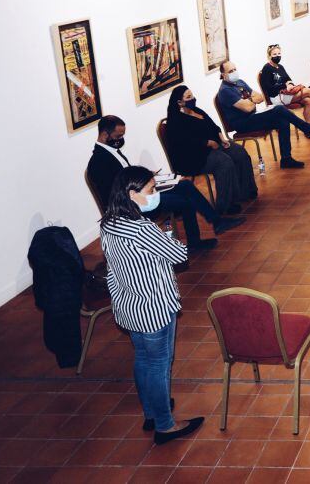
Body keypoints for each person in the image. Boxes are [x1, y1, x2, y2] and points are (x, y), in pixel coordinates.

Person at [100, 165, 205, 445]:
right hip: (155, 306)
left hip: (129, 305)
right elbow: (179, 255)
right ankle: (165, 425)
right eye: (151, 190)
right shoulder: (141, 228)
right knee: (160, 364)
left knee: (143, 359)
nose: (155, 194)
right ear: (132, 193)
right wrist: (167, 233)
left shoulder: (108, 223)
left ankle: (151, 411)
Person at [87, 115, 238, 251]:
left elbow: (126, 176)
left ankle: (216, 222)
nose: (121, 139)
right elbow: (116, 191)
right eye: (118, 136)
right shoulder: (98, 161)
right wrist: (144, 185)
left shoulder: (111, 151)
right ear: (105, 134)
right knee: (185, 202)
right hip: (132, 205)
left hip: (139, 193)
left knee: (185, 185)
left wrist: (146, 178)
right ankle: (194, 243)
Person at [216, 61, 310, 169]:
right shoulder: (225, 91)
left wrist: (249, 100)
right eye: (231, 71)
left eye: (235, 69)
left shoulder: (240, 82)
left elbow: (260, 97)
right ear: (223, 75)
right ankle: (308, 129)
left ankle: (286, 159)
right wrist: (252, 100)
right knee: (279, 109)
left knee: (282, 120)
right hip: (243, 123)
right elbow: (247, 108)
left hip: (252, 117)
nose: (234, 72)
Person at [164, 85, 257, 216]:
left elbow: (214, 126)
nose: (193, 99)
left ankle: (246, 190)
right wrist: (207, 143)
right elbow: (185, 142)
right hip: (193, 156)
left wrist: (222, 138)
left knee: (239, 152)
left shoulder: (198, 110)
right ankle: (226, 205)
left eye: (192, 95)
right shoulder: (176, 120)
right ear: (180, 102)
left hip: (214, 145)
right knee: (224, 162)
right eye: (189, 97)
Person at [258, 44, 310, 122]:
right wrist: (284, 85)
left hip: (286, 93)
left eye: (279, 53)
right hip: (276, 97)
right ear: (269, 56)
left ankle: (308, 129)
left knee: (308, 100)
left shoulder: (280, 66)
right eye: (274, 54)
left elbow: (288, 79)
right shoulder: (267, 68)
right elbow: (268, 88)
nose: (277, 56)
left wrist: (290, 84)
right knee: (308, 91)